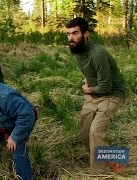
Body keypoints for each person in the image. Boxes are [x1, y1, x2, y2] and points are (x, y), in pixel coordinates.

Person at [65, 17, 126, 173]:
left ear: (86, 34)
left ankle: (100, 173)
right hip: (94, 94)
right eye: (68, 34)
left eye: (75, 33)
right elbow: (89, 71)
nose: (71, 38)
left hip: (111, 94)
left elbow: (106, 86)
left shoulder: (97, 54)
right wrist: (88, 84)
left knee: (95, 133)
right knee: (86, 132)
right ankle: (114, 160)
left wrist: (87, 90)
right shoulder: (77, 48)